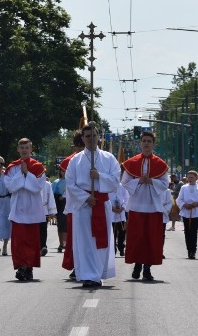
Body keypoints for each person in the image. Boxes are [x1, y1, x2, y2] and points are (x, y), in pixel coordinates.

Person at [65, 122, 121, 288]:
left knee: (100, 241)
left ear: (99, 137)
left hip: (102, 204)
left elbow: (115, 181)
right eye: (88, 136)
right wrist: (85, 197)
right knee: (85, 242)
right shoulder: (75, 161)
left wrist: (99, 176)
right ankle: (88, 275)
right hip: (84, 206)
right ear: (83, 138)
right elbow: (70, 183)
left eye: (94, 136)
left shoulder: (108, 158)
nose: (91, 139)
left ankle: (97, 273)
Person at [121, 129, 169, 281]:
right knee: (136, 237)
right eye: (144, 141)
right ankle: (137, 265)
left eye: (149, 141)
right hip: (136, 205)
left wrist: (152, 181)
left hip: (154, 206)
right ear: (140, 143)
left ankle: (147, 269)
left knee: (151, 238)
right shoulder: (132, 162)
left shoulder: (160, 164)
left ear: (153, 144)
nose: (146, 143)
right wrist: (139, 181)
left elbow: (165, 183)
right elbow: (125, 182)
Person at [4, 138, 47, 282]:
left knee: (31, 240)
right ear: (18, 149)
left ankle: (29, 267)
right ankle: (21, 266)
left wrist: (27, 174)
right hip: (18, 208)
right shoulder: (12, 167)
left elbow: (38, 187)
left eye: (26, 147)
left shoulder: (38, 166)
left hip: (32, 208)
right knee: (19, 241)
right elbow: (10, 186)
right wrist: (22, 174)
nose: (24, 150)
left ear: (31, 149)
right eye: (21, 147)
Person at [59, 131, 86, 277]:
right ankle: (76, 266)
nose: (80, 149)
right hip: (75, 205)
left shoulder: (94, 158)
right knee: (75, 238)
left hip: (91, 203)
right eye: (78, 146)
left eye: (83, 146)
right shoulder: (72, 161)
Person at [176, 170, 198, 259]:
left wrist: (196, 204)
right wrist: (185, 205)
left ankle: (193, 251)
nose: (190, 179)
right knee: (187, 232)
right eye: (188, 177)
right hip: (186, 212)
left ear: (196, 178)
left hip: (195, 212)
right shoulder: (183, 188)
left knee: (194, 232)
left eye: (192, 177)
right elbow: (179, 200)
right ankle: (189, 250)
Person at [40, 173, 58, 257]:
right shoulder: (31, 183)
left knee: (43, 228)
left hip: (44, 209)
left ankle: (43, 246)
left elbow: (50, 197)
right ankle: (37, 246)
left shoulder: (47, 184)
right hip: (33, 210)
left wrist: (51, 211)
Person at [109, 180, 127, 258]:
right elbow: (105, 199)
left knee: (122, 232)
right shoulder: (107, 185)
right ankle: (113, 250)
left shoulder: (122, 186)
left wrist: (123, 207)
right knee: (113, 233)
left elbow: (127, 198)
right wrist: (111, 207)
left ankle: (121, 248)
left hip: (120, 213)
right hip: (111, 213)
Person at [52, 168, 68, 252]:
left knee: (65, 223)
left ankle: (65, 242)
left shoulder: (70, 181)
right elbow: (51, 193)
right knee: (59, 224)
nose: (64, 172)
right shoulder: (56, 181)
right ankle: (61, 243)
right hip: (57, 202)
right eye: (62, 170)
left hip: (66, 203)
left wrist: (64, 196)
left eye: (65, 170)